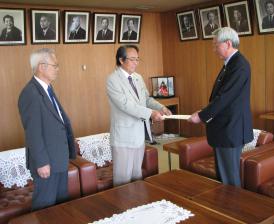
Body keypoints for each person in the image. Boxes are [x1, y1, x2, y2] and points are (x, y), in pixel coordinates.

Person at [188, 27, 253, 187]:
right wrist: (203, 111)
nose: (214, 49)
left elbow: (224, 99)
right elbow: (220, 97)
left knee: (229, 180)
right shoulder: (230, 64)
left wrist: (202, 116)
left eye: (216, 45)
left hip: (231, 130)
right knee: (223, 177)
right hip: (225, 129)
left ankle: (233, 211)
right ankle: (225, 209)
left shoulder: (239, 65)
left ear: (228, 43)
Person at [18, 48, 76, 211]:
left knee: (60, 204)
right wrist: (42, 162)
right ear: (41, 66)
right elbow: (33, 133)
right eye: (55, 65)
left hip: (58, 159)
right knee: (45, 206)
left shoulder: (46, 89)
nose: (57, 69)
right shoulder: (31, 93)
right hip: (47, 163)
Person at [106, 45, 172, 187]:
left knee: (137, 175)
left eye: (137, 59)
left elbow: (147, 99)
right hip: (123, 137)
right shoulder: (113, 80)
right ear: (121, 60)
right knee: (123, 178)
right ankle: (123, 208)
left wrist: (161, 107)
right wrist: (151, 113)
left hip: (139, 135)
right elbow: (125, 105)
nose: (136, 62)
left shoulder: (137, 77)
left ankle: (137, 206)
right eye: (132, 59)